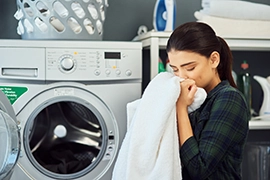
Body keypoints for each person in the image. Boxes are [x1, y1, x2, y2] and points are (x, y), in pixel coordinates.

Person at [166, 22, 250, 180]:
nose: (181, 77)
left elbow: (199, 169)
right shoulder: (192, 98)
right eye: (175, 69)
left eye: (189, 68)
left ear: (213, 60)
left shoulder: (229, 98)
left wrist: (181, 108)